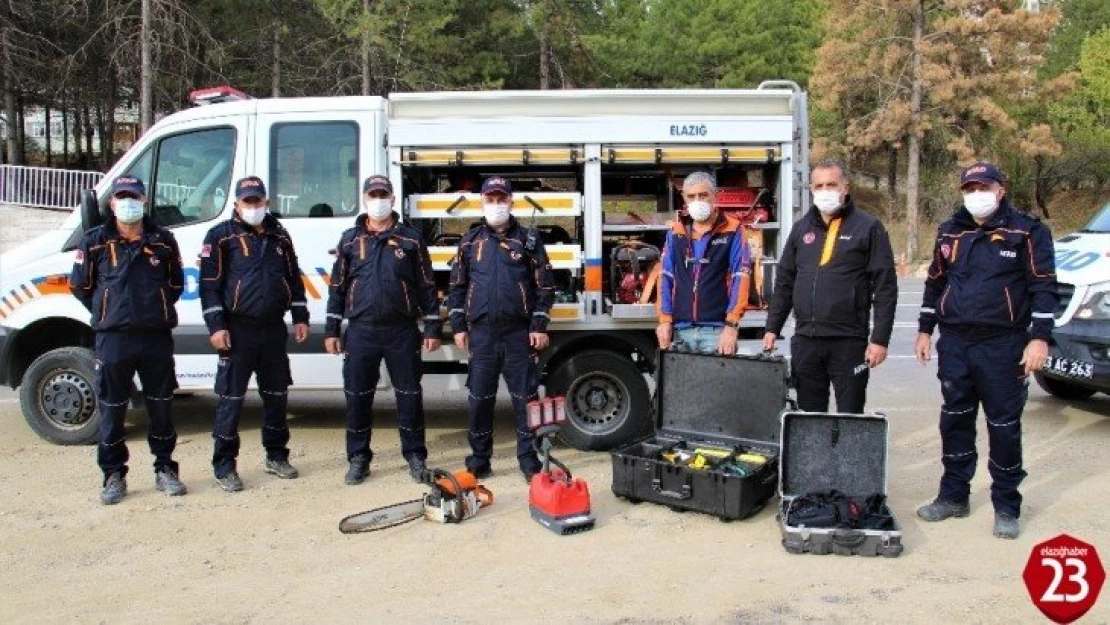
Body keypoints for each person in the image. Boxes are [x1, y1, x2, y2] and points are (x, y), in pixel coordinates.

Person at [914, 162, 1058, 540]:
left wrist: (1040, 338)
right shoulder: (949, 231)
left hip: (1003, 344)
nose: (976, 194)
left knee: (1004, 426)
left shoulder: (1027, 231)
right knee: (955, 419)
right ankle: (953, 496)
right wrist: (925, 330)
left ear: (1000, 190)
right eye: (970, 188)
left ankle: (1007, 506)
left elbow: (1044, 287)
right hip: (956, 343)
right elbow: (934, 283)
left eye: (984, 187)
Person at [70, 176, 187, 504]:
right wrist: (109, 309)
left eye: (133, 196)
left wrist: (154, 305)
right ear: (111, 203)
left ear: (144, 200)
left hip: (155, 336)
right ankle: (113, 474)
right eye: (121, 197)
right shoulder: (94, 241)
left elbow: (175, 283)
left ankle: (165, 468)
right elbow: (81, 286)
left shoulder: (163, 241)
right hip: (114, 339)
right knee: (112, 408)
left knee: (161, 406)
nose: (128, 202)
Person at [325, 175, 442, 485]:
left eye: (383, 194)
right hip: (361, 330)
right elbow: (337, 288)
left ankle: (416, 455)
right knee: (357, 396)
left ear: (392, 198)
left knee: (409, 395)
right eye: (373, 194)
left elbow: (427, 286)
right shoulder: (350, 239)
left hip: (401, 330)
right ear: (365, 199)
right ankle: (359, 458)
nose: (378, 199)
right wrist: (331, 329)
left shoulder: (411, 239)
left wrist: (432, 327)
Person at [199, 176, 310, 492]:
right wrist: (216, 326)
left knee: (277, 396)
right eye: (247, 201)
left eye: (257, 201)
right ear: (236, 204)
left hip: (273, 329)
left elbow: (294, 278)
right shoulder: (220, 237)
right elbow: (209, 287)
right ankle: (224, 466)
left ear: (266, 203)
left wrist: (300, 316)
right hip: (237, 331)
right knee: (231, 400)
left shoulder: (280, 237)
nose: (253, 207)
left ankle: (276, 456)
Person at [763, 160, 897, 413]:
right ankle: (815, 454)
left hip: (848, 340)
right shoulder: (801, 229)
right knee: (810, 418)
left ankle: (848, 454)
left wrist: (879, 339)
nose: (825, 190)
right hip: (806, 340)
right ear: (812, 189)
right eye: (819, 185)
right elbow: (785, 281)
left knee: (850, 415)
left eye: (832, 184)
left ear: (845, 188)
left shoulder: (868, 227)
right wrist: (772, 326)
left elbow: (885, 287)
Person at [448, 176, 555, 482]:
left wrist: (538, 325)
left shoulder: (528, 240)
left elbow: (545, 287)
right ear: (482, 202)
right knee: (480, 399)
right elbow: (457, 286)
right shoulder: (469, 242)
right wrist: (458, 325)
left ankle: (528, 459)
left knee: (525, 399)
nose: (496, 205)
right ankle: (479, 460)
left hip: (518, 334)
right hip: (481, 334)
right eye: (490, 199)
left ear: (511, 202)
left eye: (501, 199)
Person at [656, 171, 752, 354]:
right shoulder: (676, 232)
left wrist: (731, 325)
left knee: (718, 383)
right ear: (684, 198)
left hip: (717, 332)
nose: (697, 201)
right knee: (680, 384)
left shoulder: (733, 230)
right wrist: (664, 320)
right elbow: (665, 277)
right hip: (681, 331)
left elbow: (741, 276)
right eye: (691, 196)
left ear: (715, 196)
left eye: (703, 195)